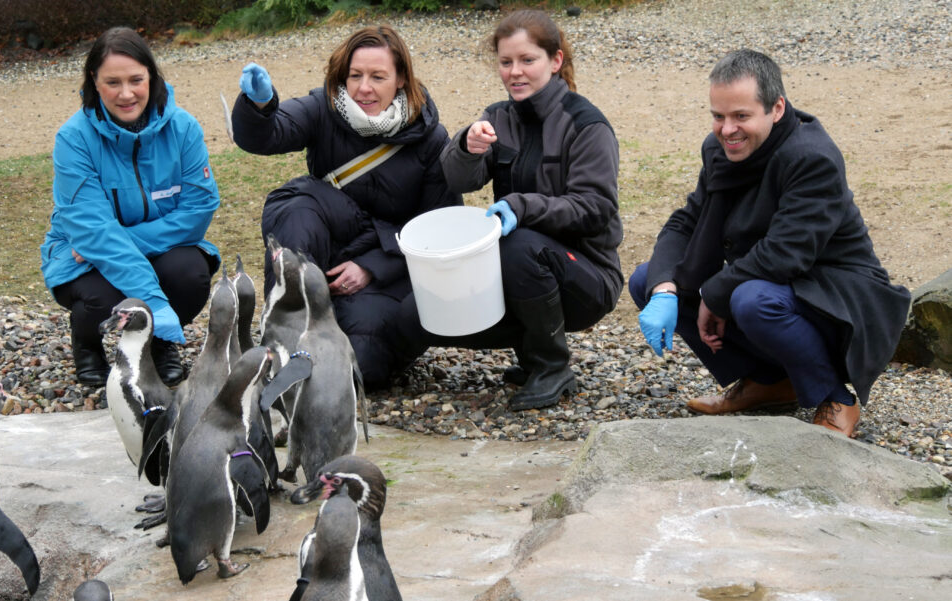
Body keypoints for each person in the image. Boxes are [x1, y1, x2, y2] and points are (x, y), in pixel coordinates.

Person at [630, 49, 911, 436]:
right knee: (646, 279)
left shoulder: (811, 158)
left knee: (751, 300)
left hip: (838, 297)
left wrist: (713, 293)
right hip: (774, 283)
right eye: (718, 116)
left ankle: (836, 398)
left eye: (741, 116)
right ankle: (769, 382)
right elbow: (687, 222)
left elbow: (786, 254)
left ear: (776, 108)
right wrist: (664, 288)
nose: (727, 129)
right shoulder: (721, 150)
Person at [393, 9, 623, 411]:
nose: (515, 72)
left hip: (587, 276)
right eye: (505, 62)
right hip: (526, 268)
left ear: (555, 61)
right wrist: (466, 147)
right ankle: (533, 355)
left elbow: (595, 209)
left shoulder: (587, 125)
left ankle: (553, 366)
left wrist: (522, 205)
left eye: (527, 60)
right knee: (416, 314)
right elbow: (461, 180)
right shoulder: (497, 116)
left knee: (517, 248)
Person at [230, 25, 461, 389]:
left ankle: (327, 362)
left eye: (377, 76)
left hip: (387, 256)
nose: (363, 87)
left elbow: (436, 229)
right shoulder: (324, 107)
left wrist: (371, 267)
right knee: (295, 207)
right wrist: (258, 105)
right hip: (328, 235)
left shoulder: (431, 138)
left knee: (360, 365)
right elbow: (268, 134)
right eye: (355, 76)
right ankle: (284, 332)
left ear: (401, 78)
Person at [40, 27, 221, 388]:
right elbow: (91, 231)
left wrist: (124, 239)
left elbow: (200, 207)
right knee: (106, 298)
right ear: (94, 81)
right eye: (112, 82)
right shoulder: (73, 140)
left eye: (136, 79)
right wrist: (154, 299)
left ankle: (158, 344)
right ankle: (88, 343)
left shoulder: (183, 128)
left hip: (104, 250)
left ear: (152, 77)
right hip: (85, 257)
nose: (126, 94)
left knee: (190, 273)